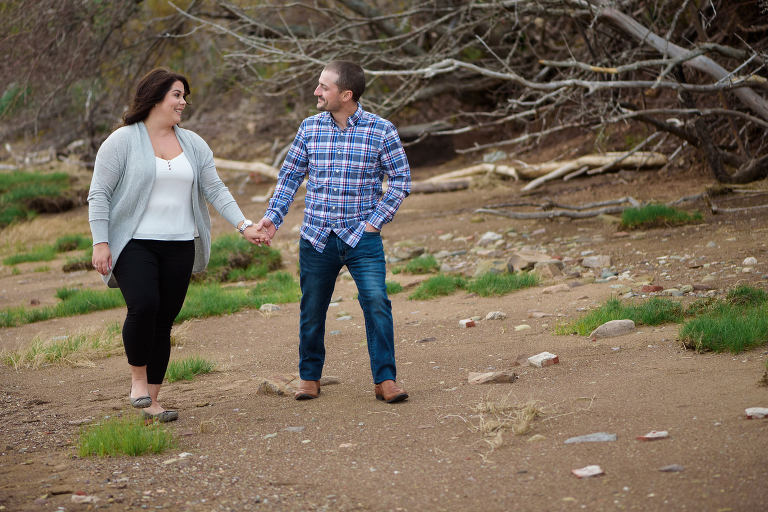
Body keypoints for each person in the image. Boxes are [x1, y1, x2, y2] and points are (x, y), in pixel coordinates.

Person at [88, 67, 268, 422]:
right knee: (144, 305)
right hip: (134, 243)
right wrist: (101, 242)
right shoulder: (122, 141)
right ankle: (138, 382)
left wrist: (244, 225)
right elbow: (99, 194)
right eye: (177, 95)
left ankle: (152, 401)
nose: (183, 103)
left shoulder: (194, 144)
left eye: (184, 96)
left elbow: (215, 189)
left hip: (181, 243)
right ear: (156, 96)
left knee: (164, 320)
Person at [255, 60, 411, 403]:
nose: (316, 92)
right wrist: (272, 218)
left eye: (324, 87)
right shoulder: (309, 128)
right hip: (317, 237)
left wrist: (374, 222)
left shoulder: (381, 130)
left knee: (376, 302)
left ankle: (385, 380)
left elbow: (401, 181)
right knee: (312, 308)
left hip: (362, 238)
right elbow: (290, 178)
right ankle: (309, 377)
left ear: (346, 94)